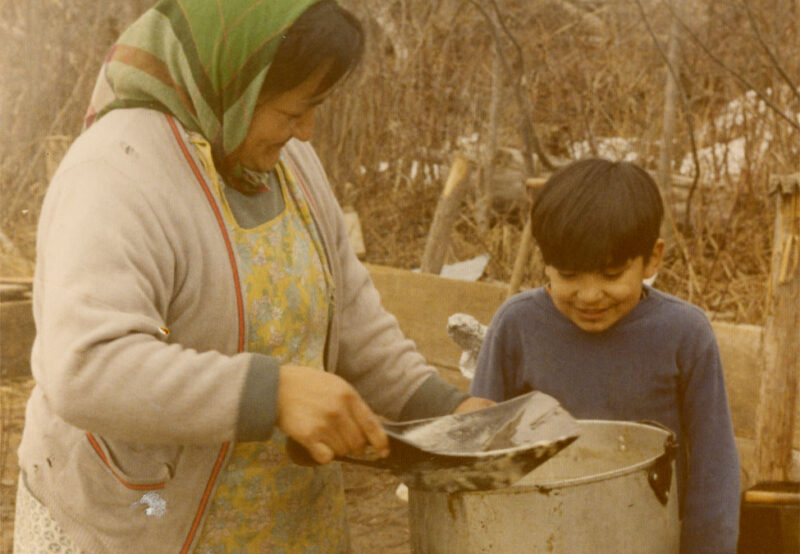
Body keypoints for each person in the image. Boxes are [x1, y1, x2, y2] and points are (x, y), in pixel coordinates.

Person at [14, 1, 492, 552]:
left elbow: (351, 314)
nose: (307, 132)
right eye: (293, 112)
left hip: (281, 525)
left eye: (314, 108)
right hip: (140, 524)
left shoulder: (285, 160)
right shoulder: (115, 172)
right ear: (237, 82)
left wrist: (441, 408)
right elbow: (87, 368)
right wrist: (272, 392)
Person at [470, 158, 740, 553]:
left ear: (653, 259)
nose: (590, 295)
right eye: (568, 275)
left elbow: (713, 470)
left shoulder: (684, 334)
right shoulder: (517, 326)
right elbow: (480, 451)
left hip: (648, 539)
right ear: (545, 261)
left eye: (611, 275)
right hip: (539, 538)